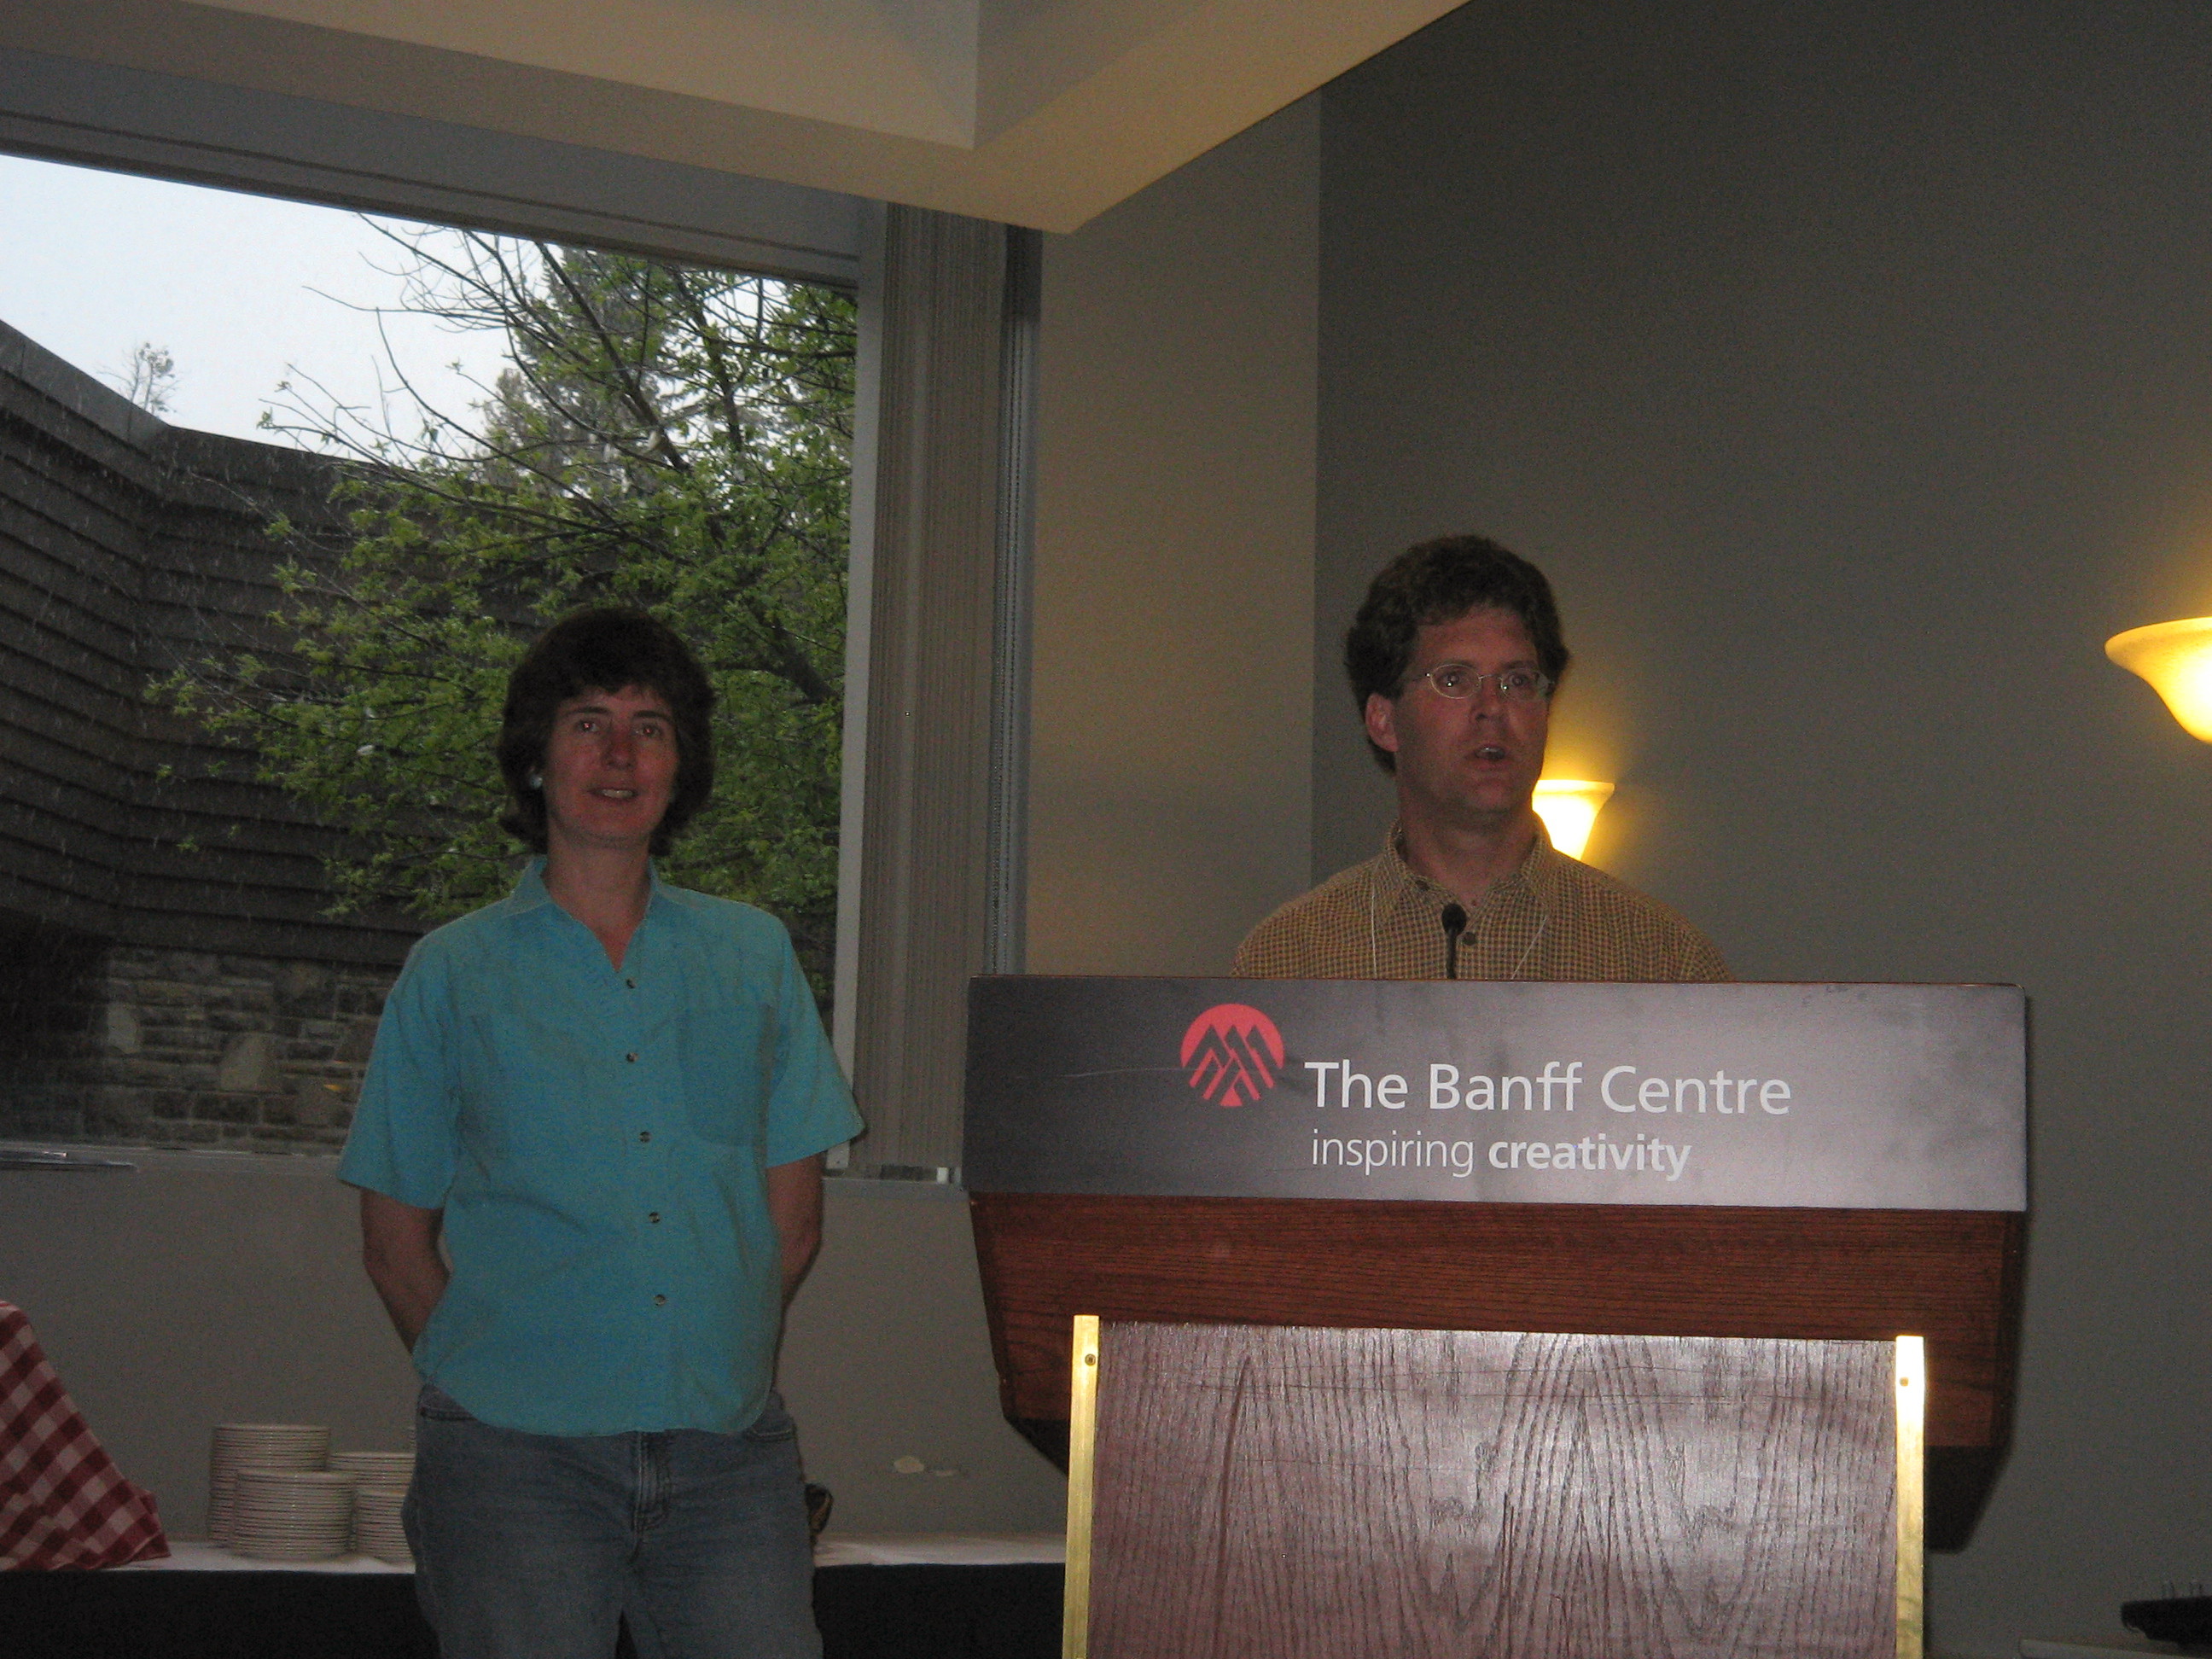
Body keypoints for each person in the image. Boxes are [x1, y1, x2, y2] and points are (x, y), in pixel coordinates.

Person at [337, 608, 862, 1659]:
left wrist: (709, 1358)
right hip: (513, 1464)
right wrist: (491, 1379)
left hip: (729, 1459)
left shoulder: (754, 957)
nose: (621, 755)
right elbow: (394, 1241)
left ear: (680, 767)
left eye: (650, 728)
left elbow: (793, 1223)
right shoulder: (452, 974)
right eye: (589, 723)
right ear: (537, 759)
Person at [1235, 534, 1730, 982]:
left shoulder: (1661, 960)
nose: (1493, 707)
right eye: (1454, 680)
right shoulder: (1288, 959)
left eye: (1518, 681)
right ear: (1384, 721)